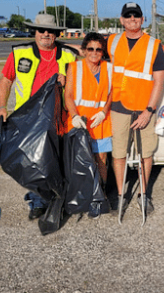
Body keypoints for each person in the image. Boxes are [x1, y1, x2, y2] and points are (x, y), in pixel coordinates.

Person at [0, 13, 77, 220]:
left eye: (50, 31)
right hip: (28, 119)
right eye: (41, 30)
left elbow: (81, 84)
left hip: (58, 117)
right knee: (33, 163)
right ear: (35, 32)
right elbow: (5, 81)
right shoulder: (19, 53)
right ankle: (38, 201)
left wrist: (67, 80)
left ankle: (59, 199)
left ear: (56, 34)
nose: (46, 34)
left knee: (57, 161)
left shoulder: (68, 55)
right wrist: (1, 107)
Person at [108, 2, 164, 215]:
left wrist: (148, 111)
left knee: (146, 153)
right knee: (118, 153)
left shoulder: (154, 45)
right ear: (121, 20)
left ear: (143, 19)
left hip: (143, 108)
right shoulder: (112, 42)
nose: (132, 19)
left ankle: (143, 194)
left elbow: (159, 81)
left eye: (136, 16)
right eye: (128, 16)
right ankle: (121, 194)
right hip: (118, 106)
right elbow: (92, 56)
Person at [64, 32, 112, 219]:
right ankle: (83, 195)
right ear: (84, 51)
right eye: (90, 49)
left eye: (98, 49)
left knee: (101, 160)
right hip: (80, 122)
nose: (94, 53)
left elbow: (111, 94)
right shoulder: (74, 68)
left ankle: (100, 196)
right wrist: (74, 116)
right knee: (83, 161)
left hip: (100, 121)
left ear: (102, 52)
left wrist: (104, 111)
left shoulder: (109, 68)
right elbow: (68, 95)